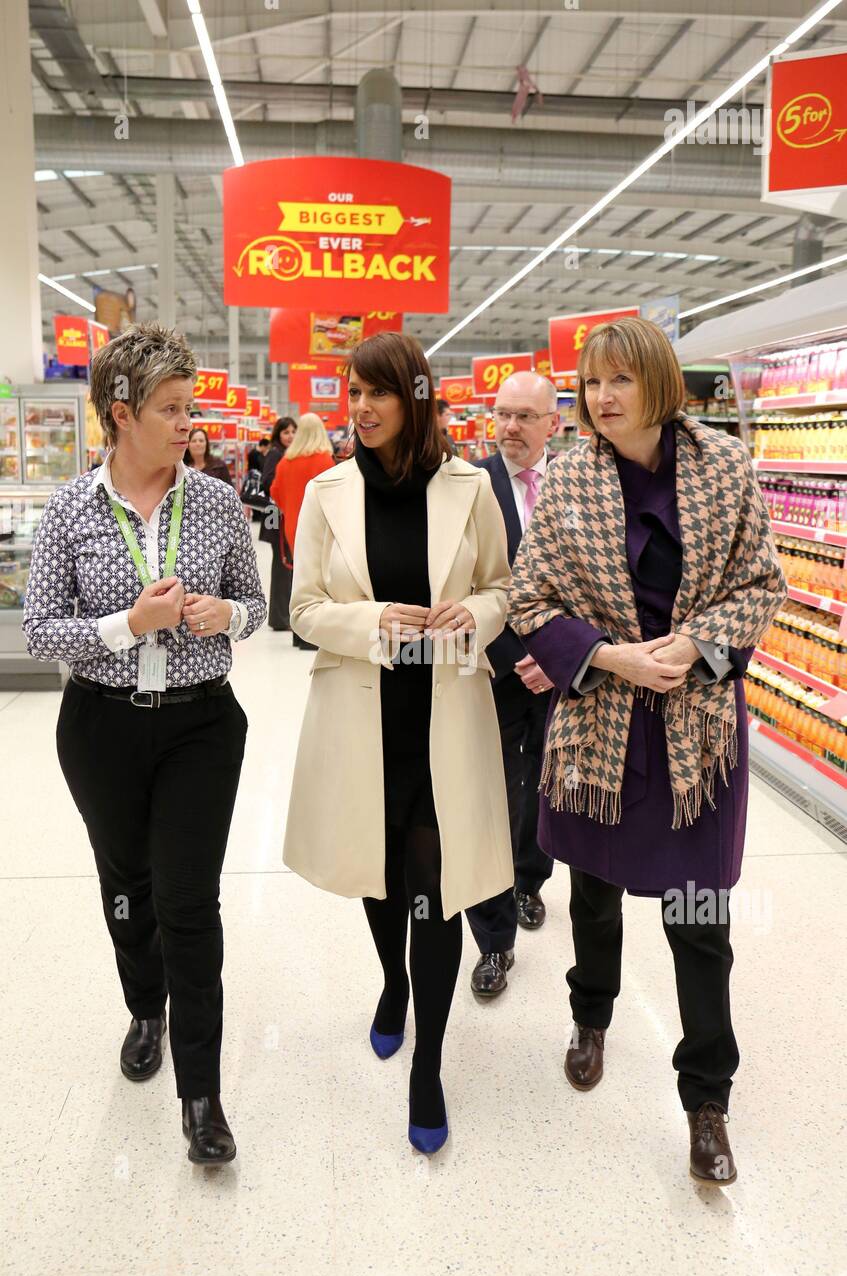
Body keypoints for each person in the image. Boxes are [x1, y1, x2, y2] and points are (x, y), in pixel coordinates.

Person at [508, 317, 786, 1185]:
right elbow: (531, 595)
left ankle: (707, 1098)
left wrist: (698, 643)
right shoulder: (569, 477)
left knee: (698, 921)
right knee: (592, 897)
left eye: (620, 381)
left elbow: (761, 582)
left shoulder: (724, 467)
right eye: (591, 384)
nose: (602, 398)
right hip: (600, 729)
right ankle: (591, 1015)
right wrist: (604, 656)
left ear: (659, 384)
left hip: (695, 736)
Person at [23, 321, 267, 1166]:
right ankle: (145, 1007)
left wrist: (222, 614)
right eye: (170, 409)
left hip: (202, 722)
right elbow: (40, 630)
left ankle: (201, 1095)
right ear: (120, 415)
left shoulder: (217, 502)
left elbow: (255, 606)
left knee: (188, 901)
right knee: (125, 884)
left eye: (189, 407)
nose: (187, 424)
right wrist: (132, 623)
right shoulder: (69, 509)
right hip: (102, 725)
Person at [283, 332, 513, 1155]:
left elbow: (501, 586)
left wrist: (476, 616)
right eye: (352, 394)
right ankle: (390, 985)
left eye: (377, 394)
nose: (361, 409)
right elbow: (304, 610)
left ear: (414, 398)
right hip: (362, 713)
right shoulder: (327, 492)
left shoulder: (470, 486)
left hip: (444, 713)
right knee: (378, 874)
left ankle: (430, 1066)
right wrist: (372, 620)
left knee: (436, 881)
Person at [465, 372, 558, 999]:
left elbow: (601, 583)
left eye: (526, 416)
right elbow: (458, 580)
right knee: (489, 795)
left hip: (562, 671)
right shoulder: (469, 485)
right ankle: (494, 941)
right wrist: (506, 652)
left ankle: (530, 879)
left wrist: (557, 654)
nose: (510, 428)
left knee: (547, 784)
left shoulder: (581, 486)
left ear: (555, 423)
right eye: (502, 415)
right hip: (491, 668)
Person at [268, 412, 335, 650]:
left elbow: (275, 492)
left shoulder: (286, 462)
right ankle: (312, 635)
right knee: (319, 583)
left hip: (293, 527)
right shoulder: (325, 460)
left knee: (298, 579)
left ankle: (298, 632)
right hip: (321, 527)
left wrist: (290, 508)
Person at [259, 416, 297, 631]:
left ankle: (282, 615)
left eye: (293, 432)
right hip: (277, 517)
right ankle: (280, 617)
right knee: (282, 565)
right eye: (286, 432)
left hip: (283, 515)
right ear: (278, 435)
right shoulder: (275, 453)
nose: (290, 436)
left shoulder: (287, 453)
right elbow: (267, 481)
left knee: (285, 566)